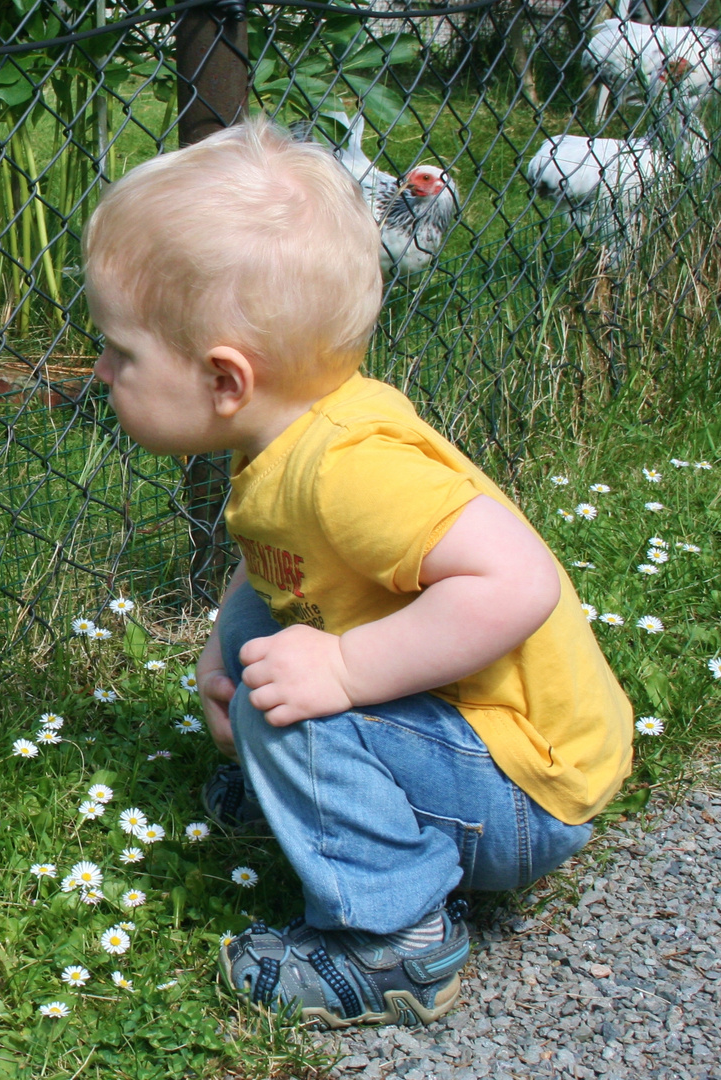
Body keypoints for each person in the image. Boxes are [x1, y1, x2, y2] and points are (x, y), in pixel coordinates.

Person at [82, 121, 633, 1029]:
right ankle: (328, 811)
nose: (101, 369)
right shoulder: (296, 434)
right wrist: (229, 644)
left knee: (288, 687)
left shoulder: (348, 469)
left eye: (120, 352)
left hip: (530, 784)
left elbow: (517, 582)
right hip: (485, 750)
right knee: (264, 652)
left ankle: (394, 946)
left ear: (225, 379)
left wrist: (337, 674)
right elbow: (284, 570)